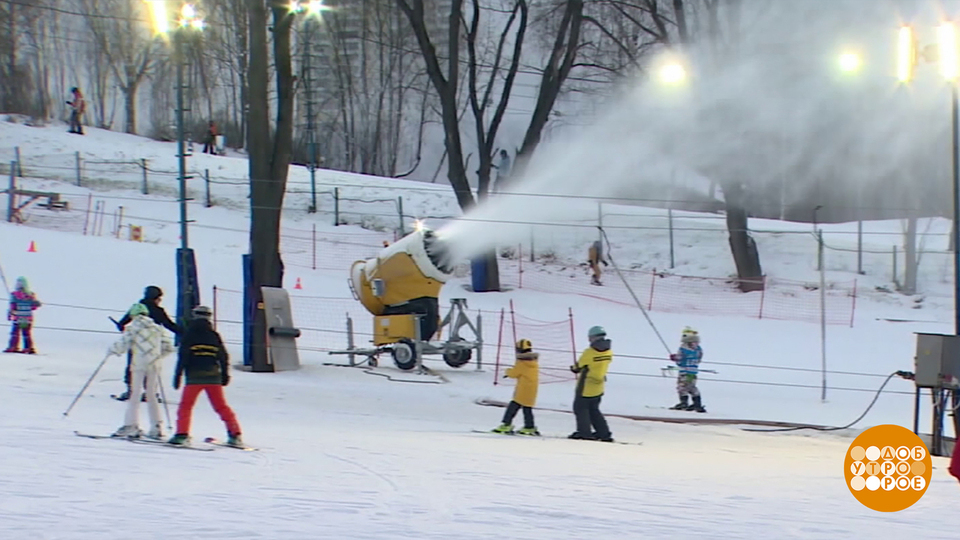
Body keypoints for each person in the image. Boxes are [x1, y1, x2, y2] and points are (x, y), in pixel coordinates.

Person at [168, 305, 242, 447]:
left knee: (186, 406)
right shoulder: (214, 335)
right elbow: (223, 355)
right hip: (214, 376)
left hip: (194, 376)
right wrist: (225, 374)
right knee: (221, 406)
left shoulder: (190, 334)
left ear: (194, 316)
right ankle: (235, 434)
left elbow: (183, 356)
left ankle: (182, 435)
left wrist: (178, 375)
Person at [108, 303, 175, 440]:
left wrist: (112, 351)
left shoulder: (133, 328)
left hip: (138, 364)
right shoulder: (157, 329)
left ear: (134, 315)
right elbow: (168, 347)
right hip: (155, 365)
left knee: (135, 393)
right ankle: (157, 427)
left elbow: (122, 345)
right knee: (151, 394)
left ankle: (131, 425)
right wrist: (156, 355)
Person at [114, 285, 180, 401]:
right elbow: (169, 325)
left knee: (132, 366)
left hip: (135, 343)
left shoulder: (136, 308)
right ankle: (150, 393)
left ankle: (130, 390)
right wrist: (185, 332)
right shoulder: (158, 311)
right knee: (151, 368)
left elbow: (122, 324)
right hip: (152, 345)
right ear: (156, 298)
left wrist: (121, 327)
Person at [569, 326, 613, 441]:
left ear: (594, 338)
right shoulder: (609, 351)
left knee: (580, 408)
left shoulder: (589, 352)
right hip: (599, 386)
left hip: (586, 386)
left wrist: (574, 368)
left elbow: (579, 366)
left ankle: (584, 432)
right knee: (594, 410)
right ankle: (603, 433)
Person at [492, 339, 540, 436]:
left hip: (523, 389)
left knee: (513, 406)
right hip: (532, 389)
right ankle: (529, 426)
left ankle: (506, 424)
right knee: (527, 408)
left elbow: (514, 373)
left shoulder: (522, 362)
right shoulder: (533, 362)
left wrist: (507, 371)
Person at [669, 327, 706, 413]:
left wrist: (674, 358)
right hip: (693, 372)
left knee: (682, 387)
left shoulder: (683, 348)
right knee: (692, 387)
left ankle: (683, 403)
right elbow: (699, 359)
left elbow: (679, 358)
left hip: (684, 372)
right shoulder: (698, 349)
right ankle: (697, 403)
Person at [5, 277, 41, 354]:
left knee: (24, 333)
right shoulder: (17, 295)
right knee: (16, 333)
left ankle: (26, 347)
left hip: (25, 317)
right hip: (20, 317)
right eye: (18, 283)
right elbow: (13, 306)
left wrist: (35, 303)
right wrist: (11, 313)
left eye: (20, 283)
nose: (19, 285)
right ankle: (15, 346)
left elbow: (33, 307)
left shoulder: (28, 295)